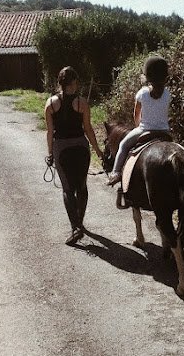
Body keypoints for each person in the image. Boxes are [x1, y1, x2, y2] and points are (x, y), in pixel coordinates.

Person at [45, 66, 103, 245]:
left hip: (61, 148)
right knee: (82, 186)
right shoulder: (82, 103)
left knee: (67, 189)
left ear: (60, 83)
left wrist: (49, 153)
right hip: (81, 147)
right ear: (74, 82)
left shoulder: (51, 103)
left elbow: (49, 132)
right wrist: (98, 151)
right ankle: (80, 222)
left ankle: (75, 227)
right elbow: (88, 129)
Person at [107, 56, 171, 186]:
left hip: (144, 130)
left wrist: (138, 126)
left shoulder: (142, 93)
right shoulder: (167, 94)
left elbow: (136, 114)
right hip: (165, 131)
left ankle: (115, 172)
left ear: (148, 75)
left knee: (123, 145)